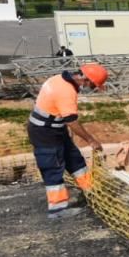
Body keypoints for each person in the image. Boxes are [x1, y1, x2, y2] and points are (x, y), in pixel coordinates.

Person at [27, 63, 107, 218]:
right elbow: (71, 120)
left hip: (55, 128)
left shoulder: (58, 79)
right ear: (85, 79)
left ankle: (90, 191)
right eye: (92, 85)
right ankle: (57, 210)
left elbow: (58, 111)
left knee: (75, 160)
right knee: (53, 166)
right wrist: (91, 140)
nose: (91, 89)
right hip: (45, 132)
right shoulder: (66, 91)